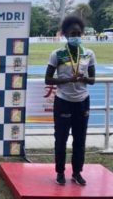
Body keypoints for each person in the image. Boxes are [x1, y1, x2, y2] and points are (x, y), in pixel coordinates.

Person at [45, 16, 96, 186]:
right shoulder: (57, 54)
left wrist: (83, 78)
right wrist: (68, 80)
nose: (76, 36)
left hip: (82, 102)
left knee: (80, 140)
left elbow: (93, 80)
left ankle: (76, 173)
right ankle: (60, 172)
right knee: (61, 139)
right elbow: (48, 80)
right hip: (63, 101)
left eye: (78, 33)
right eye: (72, 33)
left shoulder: (88, 54)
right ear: (66, 35)